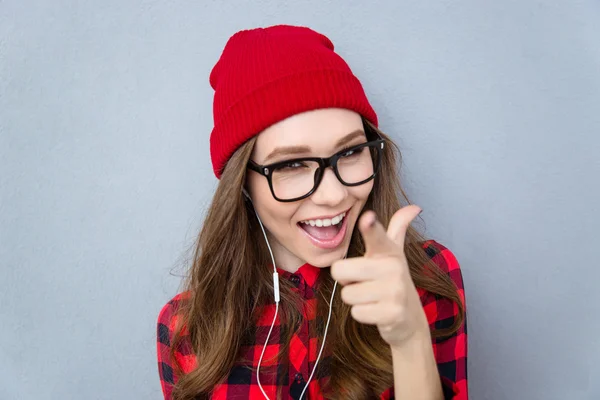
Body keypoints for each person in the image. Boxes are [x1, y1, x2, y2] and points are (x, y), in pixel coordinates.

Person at [156, 24, 467, 400]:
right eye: (290, 165)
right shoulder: (187, 328)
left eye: (351, 152)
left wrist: (410, 339)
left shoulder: (423, 278)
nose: (334, 195)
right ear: (242, 185)